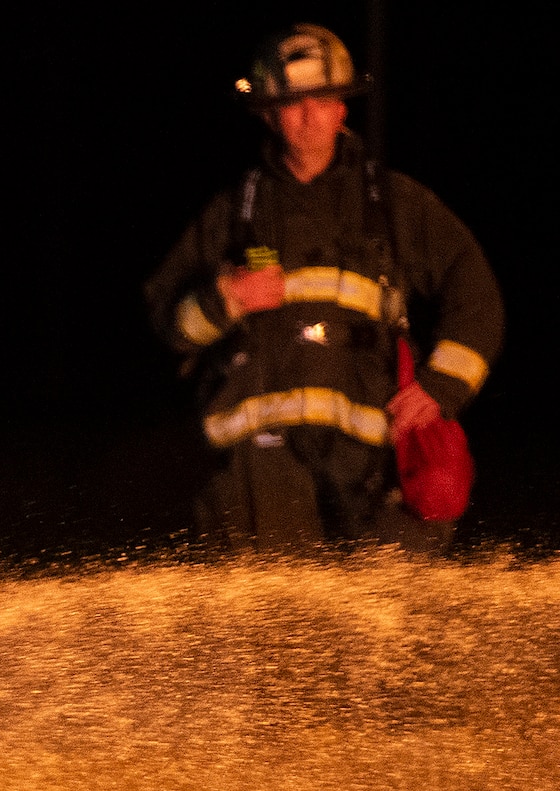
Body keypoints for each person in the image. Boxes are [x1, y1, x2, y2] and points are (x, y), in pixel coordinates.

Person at [145, 24, 503, 550]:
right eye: (292, 102)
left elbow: (476, 293)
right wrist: (224, 301)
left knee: (382, 623)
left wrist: (438, 387)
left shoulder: (394, 204)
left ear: (343, 107)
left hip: (373, 466)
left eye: (322, 98)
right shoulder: (234, 214)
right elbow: (166, 322)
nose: (309, 114)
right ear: (267, 113)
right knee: (273, 624)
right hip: (260, 475)